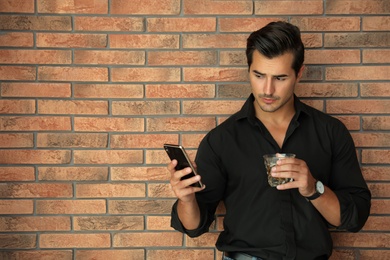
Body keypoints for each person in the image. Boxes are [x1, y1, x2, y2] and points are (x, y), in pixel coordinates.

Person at [167, 21, 371, 260]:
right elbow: (194, 226)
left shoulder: (330, 132)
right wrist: (187, 200)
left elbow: (355, 218)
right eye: (259, 75)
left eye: (280, 78)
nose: (267, 89)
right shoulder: (221, 140)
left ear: (299, 74)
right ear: (249, 70)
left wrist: (314, 188)